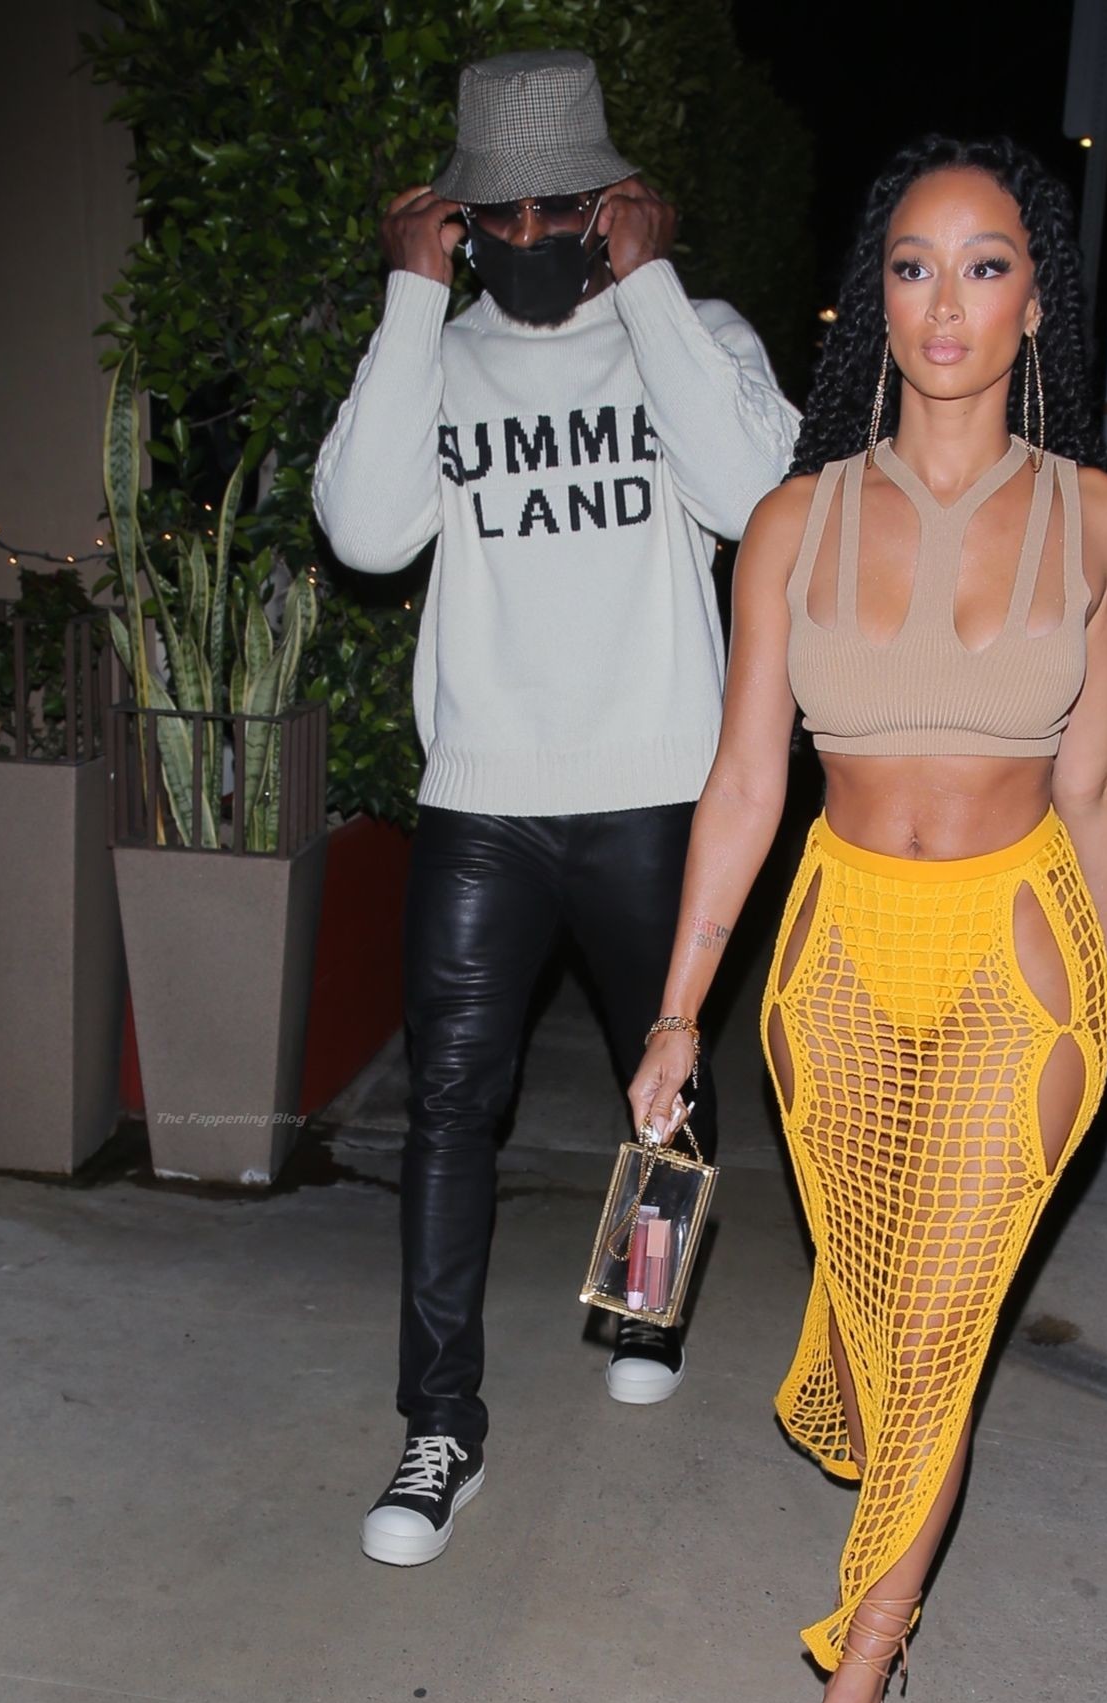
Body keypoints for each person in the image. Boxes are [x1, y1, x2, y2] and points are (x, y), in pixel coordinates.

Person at [627, 133, 1107, 1703]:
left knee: (940, 1331)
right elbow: (743, 784)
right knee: (878, 1318)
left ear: (1037, 302)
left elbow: (1094, 780)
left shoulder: (1100, 519)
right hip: (839, 958)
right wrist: (678, 1012)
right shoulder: (792, 522)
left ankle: (848, 1698)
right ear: (876, 296)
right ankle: (887, 1521)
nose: (948, 302)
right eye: (915, 266)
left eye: (987, 265)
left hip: (1023, 956)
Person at [313, 49, 799, 1569]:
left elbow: (758, 495)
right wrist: (409, 304)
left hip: (657, 790)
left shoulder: (691, 331)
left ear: (609, 206)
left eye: (556, 208)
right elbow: (364, 530)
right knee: (451, 1108)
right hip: (486, 798)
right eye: (496, 215)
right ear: (459, 223)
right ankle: (439, 1427)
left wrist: (648, 289)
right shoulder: (442, 352)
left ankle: (647, 1303)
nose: (528, 236)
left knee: (670, 1079)